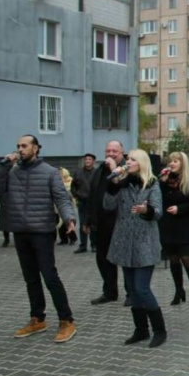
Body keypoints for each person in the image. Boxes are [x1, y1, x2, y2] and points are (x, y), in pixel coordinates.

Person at [0, 134, 77, 343]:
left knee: (49, 276)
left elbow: (61, 198)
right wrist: (3, 165)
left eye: (24, 146)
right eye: (18, 146)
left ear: (36, 148)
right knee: (30, 278)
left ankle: (66, 320)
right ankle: (37, 318)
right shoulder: (11, 171)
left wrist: (69, 218)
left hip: (42, 232)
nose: (20, 149)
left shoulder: (49, 172)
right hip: (20, 231)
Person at [105, 149, 166, 348]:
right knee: (132, 290)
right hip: (124, 242)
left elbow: (158, 212)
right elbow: (107, 205)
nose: (127, 161)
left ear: (141, 163)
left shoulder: (152, 183)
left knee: (142, 288)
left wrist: (145, 210)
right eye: (127, 159)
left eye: (132, 159)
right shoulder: (123, 182)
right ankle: (141, 330)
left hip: (144, 242)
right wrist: (112, 184)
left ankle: (159, 330)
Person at [159, 152, 189, 307]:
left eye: (175, 161)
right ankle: (179, 291)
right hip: (167, 225)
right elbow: (160, 200)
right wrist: (162, 183)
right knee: (173, 258)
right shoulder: (165, 180)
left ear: (183, 163)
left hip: (184, 224)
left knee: (186, 258)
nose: (172, 163)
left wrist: (180, 209)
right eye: (170, 161)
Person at [86, 140, 129, 306]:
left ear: (121, 153)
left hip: (120, 222)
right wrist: (89, 220)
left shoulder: (127, 168)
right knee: (103, 259)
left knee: (125, 260)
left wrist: (114, 169)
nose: (110, 154)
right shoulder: (100, 169)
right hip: (102, 223)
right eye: (108, 151)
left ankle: (131, 293)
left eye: (114, 151)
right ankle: (109, 291)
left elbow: (123, 188)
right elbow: (94, 194)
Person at [72, 153, 97, 254]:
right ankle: (82, 245)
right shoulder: (78, 172)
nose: (87, 161)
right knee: (82, 223)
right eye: (86, 159)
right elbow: (73, 186)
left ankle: (94, 245)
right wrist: (76, 195)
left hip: (94, 202)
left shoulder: (97, 172)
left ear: (93, 161)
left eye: (89, 159)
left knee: (93, 224)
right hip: (82, 201)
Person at [56, 168, 77, 246]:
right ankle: (63, 240)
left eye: (61, 173)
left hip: (68, 205)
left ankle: (72, 238)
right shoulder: (57, 181)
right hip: (57, 206)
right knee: (60, 225)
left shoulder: (70, 181)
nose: (60, 174)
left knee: (68, 222)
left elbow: (71, 192)